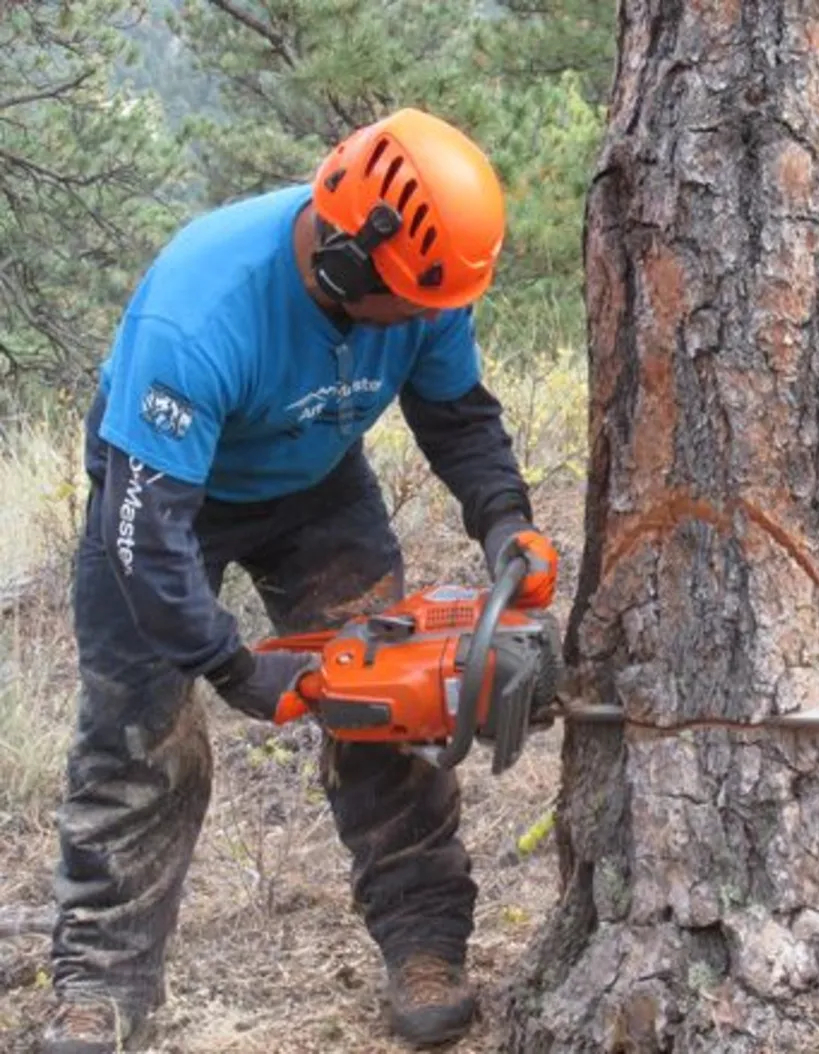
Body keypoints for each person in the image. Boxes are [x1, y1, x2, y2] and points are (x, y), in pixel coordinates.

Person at [40, 107, 559, 1054]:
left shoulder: (429, 289)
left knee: (389, 698)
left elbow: (459, 419)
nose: (418, 323)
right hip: (161, 500)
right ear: (349, 261)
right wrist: (238, 671)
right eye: (403, 304)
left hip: (317, 487)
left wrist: (505, 522)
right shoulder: (200, 313)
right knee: (135, 739)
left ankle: (426, 943)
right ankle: (99, 984)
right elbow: (147, 536)